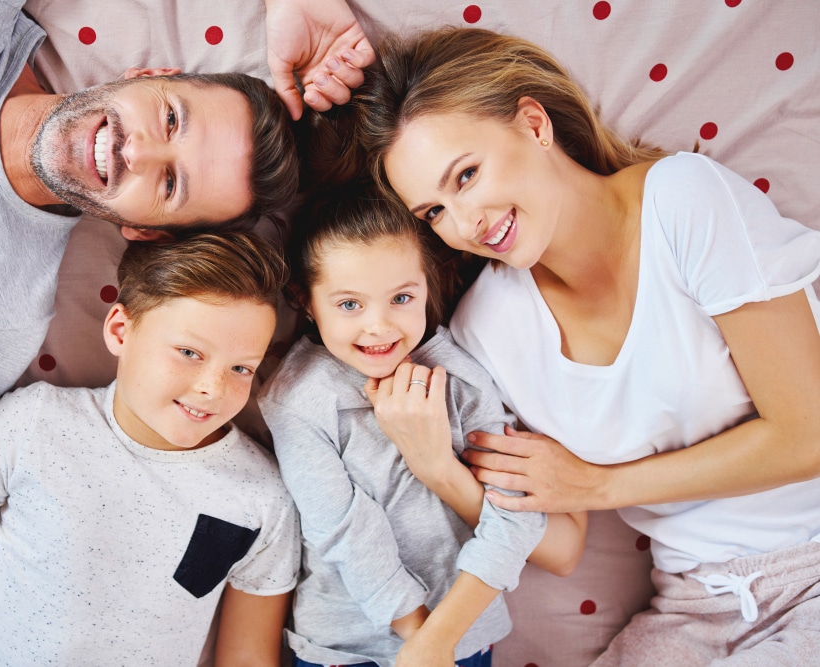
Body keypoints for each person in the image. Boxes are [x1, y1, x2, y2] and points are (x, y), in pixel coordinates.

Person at [346, 26, 820, 664]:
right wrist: (438, 468)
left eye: (466, 175)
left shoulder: (682, 201)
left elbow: (808, 434)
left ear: (533, 124)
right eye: (433, 212)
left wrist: (597, 486)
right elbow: (561, 545)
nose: (465, 225)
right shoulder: (485, 330)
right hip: (695, 603)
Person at [0, 0, 377, 535]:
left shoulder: (0, 319)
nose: (133, 153)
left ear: (144, 231)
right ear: (146, 73)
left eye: (169, 184)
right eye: (169, 119)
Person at [0, 232, 300, 666]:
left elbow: (247, 658)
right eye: (189, 353)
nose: (212, 389)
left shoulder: (263, 499)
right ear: (120, 330)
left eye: (241, 368)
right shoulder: (35, 422)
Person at [258, 187, 586, 667]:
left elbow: (515, 517)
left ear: (426, 288)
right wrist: (419, 638)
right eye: (350, 305)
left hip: (463, 637)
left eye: (401, 298)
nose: (379, 326)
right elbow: (347, 532)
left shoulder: (464, 377)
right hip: (344, 648)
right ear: (306, 301)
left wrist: (441, 640)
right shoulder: (296, 399)